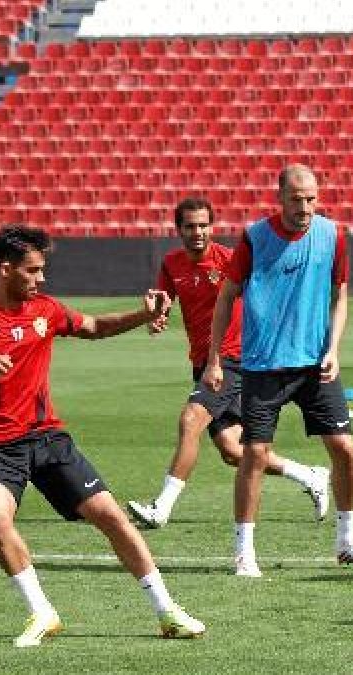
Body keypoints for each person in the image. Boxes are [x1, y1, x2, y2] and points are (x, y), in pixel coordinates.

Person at [0, 226, 204, 647]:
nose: (42, 278)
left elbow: (95, 326)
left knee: (112, 516)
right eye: (33, 270)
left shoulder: (45, 309)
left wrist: (143, 315)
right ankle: (42, 612)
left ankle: (166, 610)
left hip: (47, 439)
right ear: (6, 269)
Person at [203, 164, 353, 577]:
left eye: (311, 199)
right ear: (280, 197)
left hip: (315, 364)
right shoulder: (255, 238)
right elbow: (227, 295)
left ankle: (347, 541)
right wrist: (215, 358)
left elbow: (340, 295)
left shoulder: (332, 235)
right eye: (296, 199)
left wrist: (334, 349)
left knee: (344, 449)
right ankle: (244, 551)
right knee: (253, 454)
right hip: (264, 365)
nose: (304, 207)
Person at [126, 197, 330, 529]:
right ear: (178, 229)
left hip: (231, 360)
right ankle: (310, 475)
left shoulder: (228, 261)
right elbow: (161, 307)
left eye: (203, 225)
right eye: (190, 226)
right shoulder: (171, 264)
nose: (197, 232)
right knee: (233, 451)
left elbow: (264, 295)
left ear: (212, 226)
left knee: (191, 419)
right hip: (203, 363)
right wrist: (154, 317)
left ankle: (161, 508)